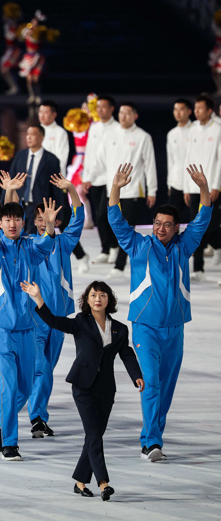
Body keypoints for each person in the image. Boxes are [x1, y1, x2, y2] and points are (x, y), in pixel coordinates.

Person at [108, 163, 212, 462]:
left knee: (165, 388)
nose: (161, 228)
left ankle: (155, 437)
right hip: (145, 328)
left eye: (167, 224)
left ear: (176, 227)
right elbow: (115, 220)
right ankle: (150, 441)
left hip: (175, 328)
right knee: (151, 382)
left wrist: (203, 188)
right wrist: (115, 188)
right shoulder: (139, 245)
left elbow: (203, 218)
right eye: (157, 223)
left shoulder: (184, 246)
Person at [20, 280, 144, 501]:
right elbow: (54, 321)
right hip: (83, 387)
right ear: (87, 300)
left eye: (102, 295)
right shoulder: (80, 322)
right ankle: (104, 483)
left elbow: (126, 353)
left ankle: (79, 482)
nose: (98, 299)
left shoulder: (120, 329)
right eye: (94, 295)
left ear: (109, 300)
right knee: (94, 435)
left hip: (106, 390)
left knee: (93, 437)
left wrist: (137, 376)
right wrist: (37, 298)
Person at [0, 184, 57, 461]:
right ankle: (10, 443)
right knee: (8, 386)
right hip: (0, 327)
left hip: (28, 327)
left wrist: (50, 226)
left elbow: (47, 244)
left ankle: (3, 419)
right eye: (7, 219)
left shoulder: (30, 247)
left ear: (22, 222)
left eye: (17, 219)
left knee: (26, 387)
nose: (12, 223)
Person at [25, 174, 85, 438]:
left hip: (59, 318)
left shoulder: (63, 243)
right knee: (39, 367)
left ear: (56, 220)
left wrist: (72, 189)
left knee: (47, 369)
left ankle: (38, 415)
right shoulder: (26, 245)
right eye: (39, 218)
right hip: (34, 317)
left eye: (47, 217)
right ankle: (35, 416)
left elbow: (80, 217)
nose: (43, 221)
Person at [102, 103, 158, 278]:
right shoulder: (110, 134)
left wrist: (152, 190)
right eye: (121, 113)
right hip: (113, 189)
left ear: (135, 115)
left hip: (134, 189)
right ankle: (112, 250)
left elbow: (150, 164)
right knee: (106, 221)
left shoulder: (143, 137)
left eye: (127, 113)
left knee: (127, 228)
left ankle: (120, 266)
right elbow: (102, 159)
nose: (123, 116)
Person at [184, 94, 221, 281]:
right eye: (195, 108)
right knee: (195, 227)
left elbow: (220, 161)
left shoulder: (218, 129)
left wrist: (216, 185)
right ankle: (198, 269)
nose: (197, 112)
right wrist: (186, 186)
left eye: (200, 109)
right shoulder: (192, 130)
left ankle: (218, 246)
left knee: (212, 226)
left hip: (213, 186)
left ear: (209, 110)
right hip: (194, 186)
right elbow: (188, 158)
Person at [81, 95, 119, 265]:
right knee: (98, 214)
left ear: (112, 108)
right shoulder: (94, 128)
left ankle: (115, 247)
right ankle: (105, 248)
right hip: (93, 178)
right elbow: (89, 153)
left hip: (109, 178)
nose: (101, 110)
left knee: (106, 214)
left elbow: (110, 156)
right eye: (99, 107)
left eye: (104, 106)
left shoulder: (117, 129)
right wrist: (86, 176)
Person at [8, 125, 64, 233]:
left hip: (38, 208)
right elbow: (9, 182)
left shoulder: (51, 159)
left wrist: (59, 214)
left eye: (33, 134)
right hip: (20, 205)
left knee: (33, 239)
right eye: (27, 134)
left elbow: (56, 189)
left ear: (42, 137)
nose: (29, 137)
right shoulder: (20, 156)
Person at [166, 99, 193, 220]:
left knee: (196, 220)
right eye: (175, 109)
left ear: (189, 111)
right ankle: (174, 240)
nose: (178, 113)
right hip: (176, 183)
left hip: (194, 183)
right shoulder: (172, 134)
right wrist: (170, 183)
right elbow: (171, 160)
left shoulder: (195, 131)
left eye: (181, 109)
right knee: (172, 219)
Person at [37, 101, 71, 174]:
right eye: (40, 112)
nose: (42, 115)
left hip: (53, 175)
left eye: (45, 112)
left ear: (54, 115)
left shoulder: (60, 133)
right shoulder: (35, 131)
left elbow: (62, 158)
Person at [0, 2, 22, 95]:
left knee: (6, 69)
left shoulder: (17, 28)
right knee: (3, 70)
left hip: (15, 50)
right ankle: (14, 87)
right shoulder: (7, 26)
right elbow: (5, 18)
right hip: (9, 50)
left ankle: (15, 87)